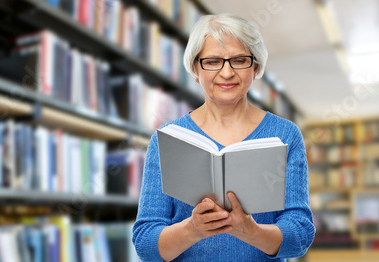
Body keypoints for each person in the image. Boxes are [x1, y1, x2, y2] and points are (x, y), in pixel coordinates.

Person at [132, 13, 315, 262]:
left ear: (256, 66)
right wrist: (192, 230)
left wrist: (250, 231)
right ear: (196, 68)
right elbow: (145, 243)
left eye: (239, 60)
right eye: (213, 61)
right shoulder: (167, 139)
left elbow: (300, 235)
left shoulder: (285, 135)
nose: (226, 73)